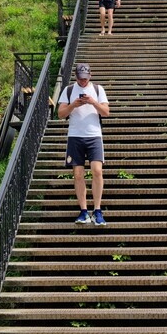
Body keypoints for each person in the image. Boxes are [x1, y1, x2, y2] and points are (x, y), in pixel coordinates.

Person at [58, 61, 109, 226]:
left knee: (97, 171)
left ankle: (98, 210)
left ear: (90, 76)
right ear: (76, 77)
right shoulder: (69, 90)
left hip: (94, 135)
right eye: (80, 79)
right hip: (75, 136)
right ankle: (83, 211)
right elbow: (60, 114)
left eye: (85, 79)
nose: (83, 82)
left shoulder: (98, 89)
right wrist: (74, 104)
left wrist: (93, 102)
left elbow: (106, 112)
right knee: (78, 174)